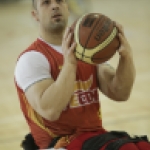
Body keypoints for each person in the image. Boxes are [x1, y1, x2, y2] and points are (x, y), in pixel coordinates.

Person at [14, 0, 150, 150]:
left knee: (143, 146)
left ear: (67, 8)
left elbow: (120, 93)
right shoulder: (32, 58)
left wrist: (126, 57)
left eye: (60, 1)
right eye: (46, 3)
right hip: (58, 143)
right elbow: (50, 110)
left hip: (94, 137)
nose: (54, 6)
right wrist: (70, 64)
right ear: (35, 15)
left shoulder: (88, 51)